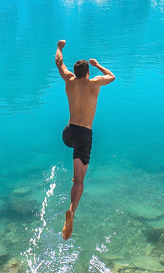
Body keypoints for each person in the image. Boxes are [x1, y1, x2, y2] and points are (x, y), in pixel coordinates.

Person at [54, 39, 115, 240]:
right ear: (87, 73)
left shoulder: (69, 81)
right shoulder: (94, 83)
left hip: (68, 133)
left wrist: (59, 47)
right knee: (80, 180)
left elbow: (58, 62)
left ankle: (75, 171)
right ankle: (72, 211)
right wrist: (98, 65)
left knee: (76, 162)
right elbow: (111, 77)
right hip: (83, 135)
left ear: (76, 72)